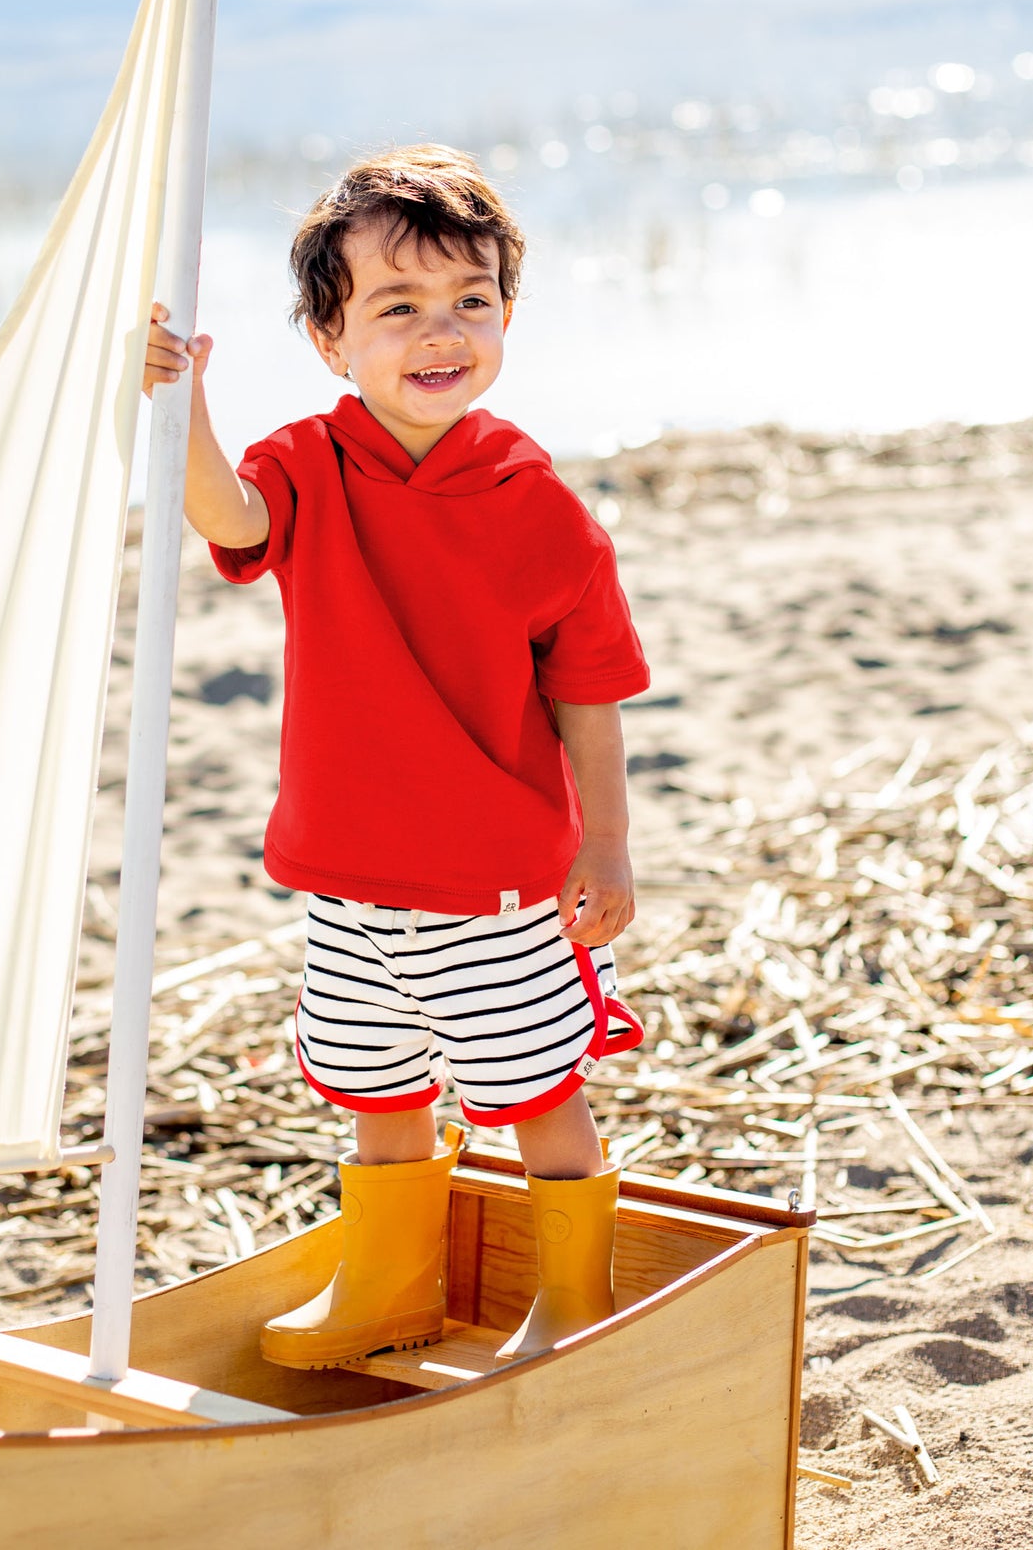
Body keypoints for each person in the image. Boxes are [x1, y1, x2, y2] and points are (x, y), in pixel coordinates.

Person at [142, 145, 650, 1367]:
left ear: (505, 316)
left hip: (491, 884)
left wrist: (609, 841)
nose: (440, 332)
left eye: (470, 301)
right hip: (346, 874)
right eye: (398, 306)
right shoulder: (309, 463)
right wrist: (179, 405)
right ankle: (384, 1284)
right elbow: (230, 519)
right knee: (376, 1091)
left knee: (532, 1092)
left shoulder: (538, 505)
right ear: (330, 338)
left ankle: (569, 1299)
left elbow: (587, 693)